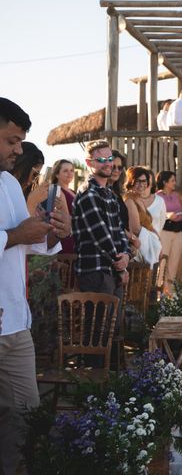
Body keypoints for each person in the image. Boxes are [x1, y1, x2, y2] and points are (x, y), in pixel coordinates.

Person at [0, 97, 71, 474]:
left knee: (26, 420)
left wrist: (52, 231)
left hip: (15, 324)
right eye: (12, 140)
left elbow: (25, 243)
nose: (18, 150)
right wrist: (14, 235)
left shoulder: (10, 186)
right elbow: (12, 235)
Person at [73, 139, 131, 297]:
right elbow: (100, 235)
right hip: (96, 271)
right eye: (101, 160)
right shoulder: (88, 193)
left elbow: (119, 230)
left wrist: (126, 255)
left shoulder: (110, 194)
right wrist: (121, 265)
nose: (107, 164)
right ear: (89, 163)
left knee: (115, 322)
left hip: (112, 271)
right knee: (100, 322)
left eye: (110, 159)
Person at [156, 171, 182, 291]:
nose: (175, 183)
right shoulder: (157, 197)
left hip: (179, 230)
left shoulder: (175, 195)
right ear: (165, 182)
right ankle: (159, 289)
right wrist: (167, 215)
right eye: (172, 181)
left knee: (174, 262)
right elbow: (154, 214)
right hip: (165, 231)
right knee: (163, 260)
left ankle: (170, 292)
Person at [123, 167, 162, 265]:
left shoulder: (139, 199)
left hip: (147, 247)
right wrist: (155, 242)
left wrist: (158, 240)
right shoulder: (129, 200)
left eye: (144, 181)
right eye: (137, 181)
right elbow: (136, 229)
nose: (141, 185)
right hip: (138, 252)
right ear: (131, 181)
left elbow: (148, 224)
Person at [50, 158, 76, 253]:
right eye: (65, 171)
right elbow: (65, 218)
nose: (69, 173)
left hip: (76, 235)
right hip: (67, 239)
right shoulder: (57, 191)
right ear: (57, 174)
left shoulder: (73, 192)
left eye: (71, 170)